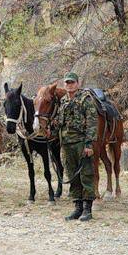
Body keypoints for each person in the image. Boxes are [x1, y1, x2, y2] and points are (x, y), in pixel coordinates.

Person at [51, 72, 98, 221]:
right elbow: (60, 120)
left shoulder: (85, 99)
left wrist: (89, 144)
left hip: (81, 143)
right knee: (72, 175)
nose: (69, 85)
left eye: (72, 82)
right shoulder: (63, 101)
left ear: (77, 84)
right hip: (67, 144)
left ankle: (87, 209)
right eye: (67, 83)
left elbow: (92, 122)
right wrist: (51, 129)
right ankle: (77, 208)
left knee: (86, 174)